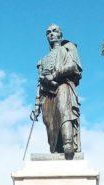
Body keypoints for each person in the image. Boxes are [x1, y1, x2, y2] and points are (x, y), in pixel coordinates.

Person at [32, 23, 82, 159]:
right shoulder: (43, 59)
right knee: (49, 122)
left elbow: (73, 66)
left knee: (64, 111)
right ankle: (56, 148)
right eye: (48, 32)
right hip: (47, 93)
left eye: (54, 31)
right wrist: (36, 105)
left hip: (62, 85)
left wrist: (54, 75)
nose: (51, 34)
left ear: (60, 34)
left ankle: (68, 143)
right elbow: (39, 83)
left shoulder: (67, 48)